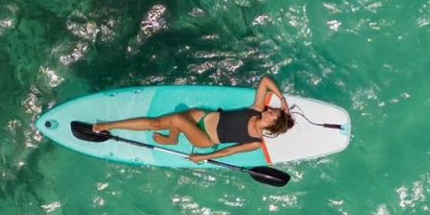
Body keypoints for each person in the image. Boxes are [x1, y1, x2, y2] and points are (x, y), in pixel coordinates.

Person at [92, 76, 295, 163]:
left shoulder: (255, 143)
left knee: (177, 119)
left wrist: (203, 157)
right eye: (273, 110)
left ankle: (108, 126)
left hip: (205, 139)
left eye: (272, 115)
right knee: (167, 120)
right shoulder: (257, 109)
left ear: (271, 125)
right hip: (205, 117)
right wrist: (283, 100)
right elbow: (265, 80)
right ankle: (172, 138)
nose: (269, 111)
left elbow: (229, 151)